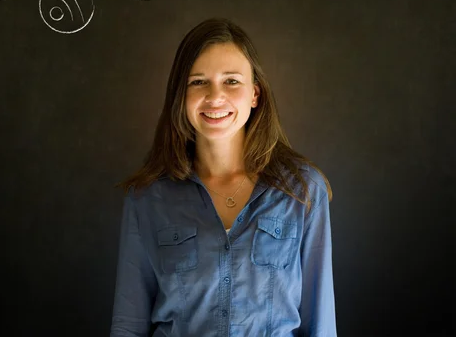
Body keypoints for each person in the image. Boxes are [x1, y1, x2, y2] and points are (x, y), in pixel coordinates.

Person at [109, 18, 337, 337]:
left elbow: (320, 324)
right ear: (181, 95)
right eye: (199, 82)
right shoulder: (147, 197)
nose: (215, 97)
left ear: (255, 94)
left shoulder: (302, 190)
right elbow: (128, 325)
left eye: (231, 81)